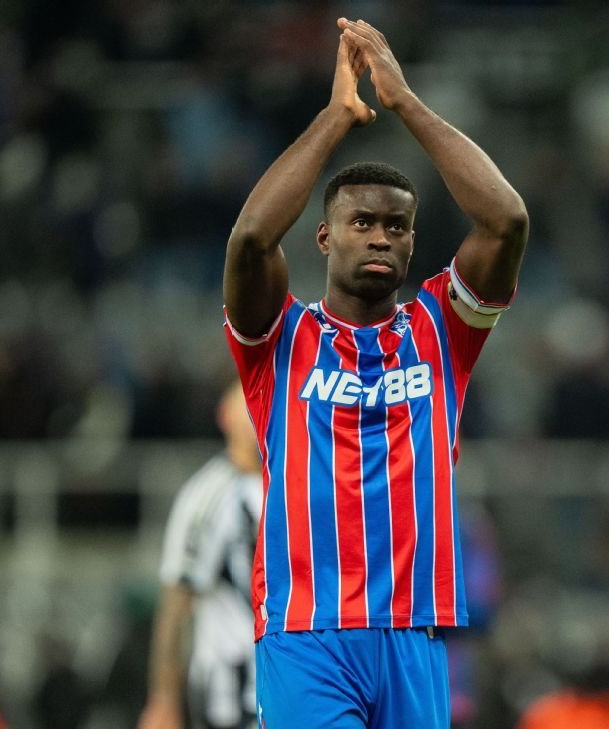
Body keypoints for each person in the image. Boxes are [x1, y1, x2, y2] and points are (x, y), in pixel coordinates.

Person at [221, 17, 528, 728]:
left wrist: (405, 103)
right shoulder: (280, 339)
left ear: (414, 241)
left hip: (414, 632)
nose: (381, 237)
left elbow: (507, 220)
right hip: (306, 633)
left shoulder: (441, 330)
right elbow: (251, 239)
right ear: (324, 236)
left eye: (397, 226)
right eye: (362, 223)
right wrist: (337, 117)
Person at [140, 382, 263, 729]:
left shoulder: (294, 481)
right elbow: (176, 604)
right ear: (225, 417)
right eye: (246, 404)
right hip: (231, 692)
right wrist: (163, 700)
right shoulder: (207, 496)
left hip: (291, 681)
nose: (257, 411)